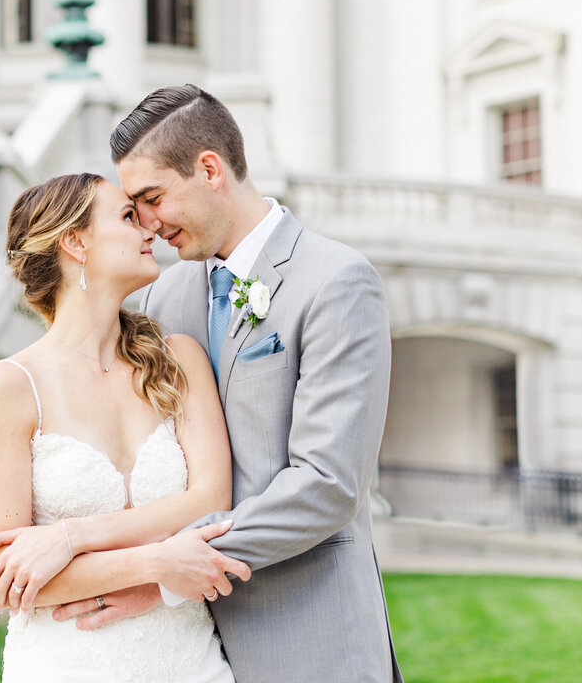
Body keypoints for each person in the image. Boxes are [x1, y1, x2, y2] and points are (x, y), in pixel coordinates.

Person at [53, 84, 404, 682]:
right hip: (184, 650)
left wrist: (167, 571)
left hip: (310, 641)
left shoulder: (336, 281)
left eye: (152, 198)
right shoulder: (165, 298)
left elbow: (327, 484)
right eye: (134, 211)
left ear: (209, 169)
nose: (147, 224)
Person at [0, 172, 250, 682]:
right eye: (126, 216)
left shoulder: (178, 359)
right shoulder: (7, 389)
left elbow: (211, 498)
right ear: (75, 242)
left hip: (189, 661)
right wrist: (159, 563)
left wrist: (70, 538)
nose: (150, 229)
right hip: (66, 664)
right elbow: (4, 577)